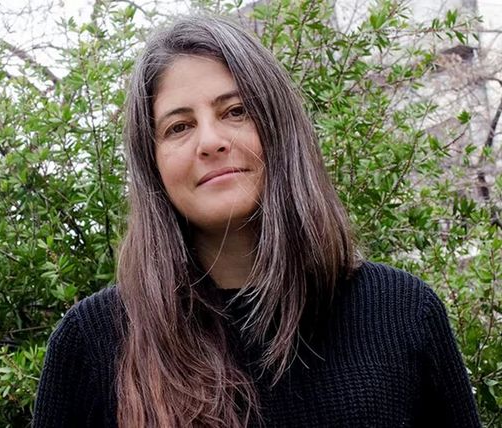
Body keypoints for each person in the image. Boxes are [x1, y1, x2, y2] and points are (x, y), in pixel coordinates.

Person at [32, 14, 481, 428]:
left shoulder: (403, 312)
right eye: (179, 127)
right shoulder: (92, 344)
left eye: (235, 111)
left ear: (278, 127)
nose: (210, 141)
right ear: (153, 165)